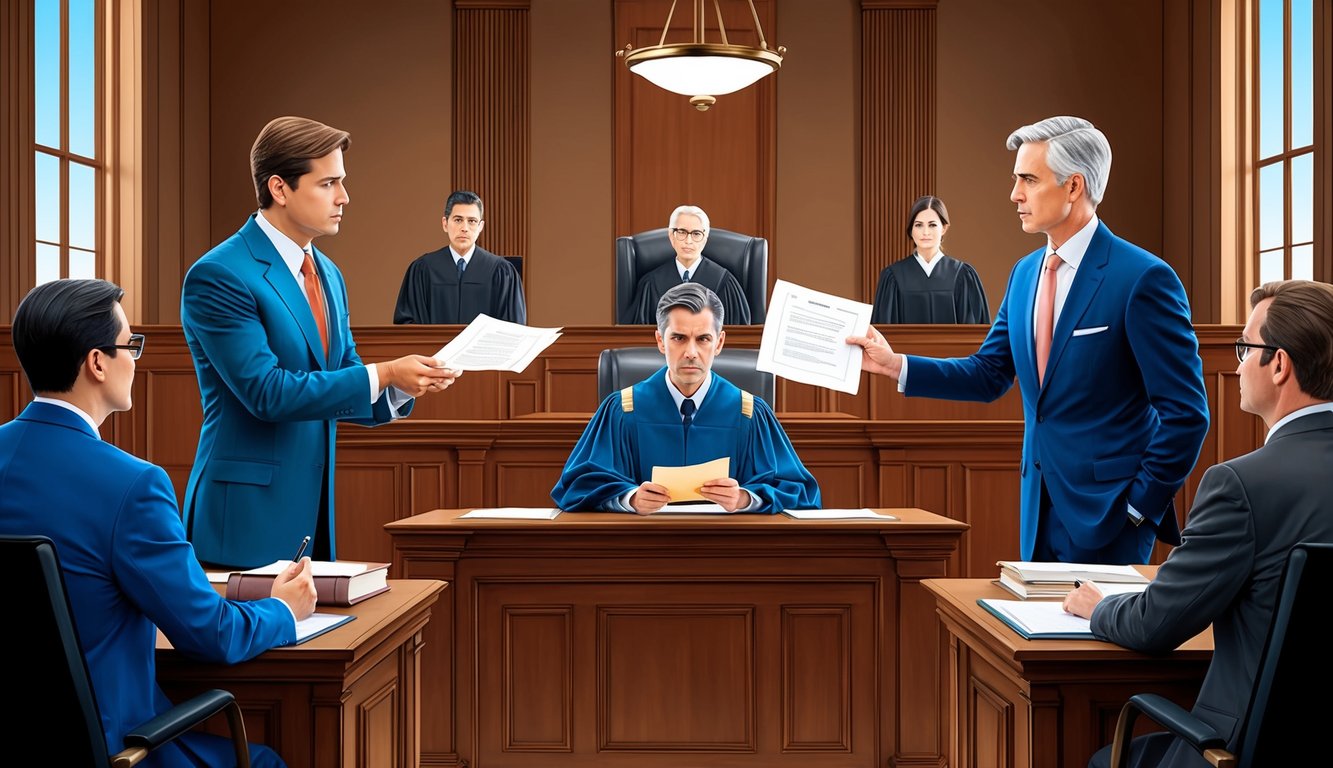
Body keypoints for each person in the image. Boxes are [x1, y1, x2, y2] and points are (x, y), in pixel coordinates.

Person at [848, 116, 1209, 565]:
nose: (1014, 194)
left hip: (1111, 516)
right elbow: (988, 374)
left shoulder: (1143, 278)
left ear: (1074, 186)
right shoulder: (1024, 274)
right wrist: (895, 364)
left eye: (1028, 179)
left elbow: (1187, 414)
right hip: (1037, 511)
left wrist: (1138, 508)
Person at [0, 279, 319, 767]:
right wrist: (281, 608)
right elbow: (211, 634)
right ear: (97, 362)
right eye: (130, 345)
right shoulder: (131, 485)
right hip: (115, 748)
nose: (136, 358)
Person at [1065, 280, 1333, 768]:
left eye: (1244, 347)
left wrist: (1098, 608)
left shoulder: (1241, 485)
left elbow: (1154, 625)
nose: (1235, 364)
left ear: (1279, 365)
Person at [181, 116, 458, 568]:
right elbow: (266, 393)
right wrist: (384, 371)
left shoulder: (328, 273)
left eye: (342, 182)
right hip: (245, 514)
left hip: (313, 511)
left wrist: (402, 386)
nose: (344, 197)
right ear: (279, 188)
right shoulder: (220, 275)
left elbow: (341, 375)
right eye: (328, 183)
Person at [552, 282, 819, 514]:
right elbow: (576, 487)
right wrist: (628, 499)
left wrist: (745, 499)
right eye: (678, 338)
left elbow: (799, 492)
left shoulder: (749, 412)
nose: (691, 352)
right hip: (640, 552)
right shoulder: (622, 409)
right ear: (660, 340)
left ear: (719, 343)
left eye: (703, 339)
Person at [393, 189, 527, 325]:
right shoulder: (423, 270)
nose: (464, 228)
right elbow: (407, 328)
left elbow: (513, 329)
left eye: (472, 221)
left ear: (481, 226)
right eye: (458, 220)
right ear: (445, 224)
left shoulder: (502, 272)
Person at [871, 195, 989, 324]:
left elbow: (975, 334)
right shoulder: (893, 277)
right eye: (918, 225)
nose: (925, 232)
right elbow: (883, 333)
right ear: (911, 230)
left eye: (932, 225)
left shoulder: (963, 275)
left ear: (944, 228)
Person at [627, 205, 753, 325]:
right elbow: (639, 337)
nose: (688, 241)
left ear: (705, 238)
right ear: (671, 236)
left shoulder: (725, 283)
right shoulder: (650, 284)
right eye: (682, 232)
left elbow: (738, 337)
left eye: (696, 234)